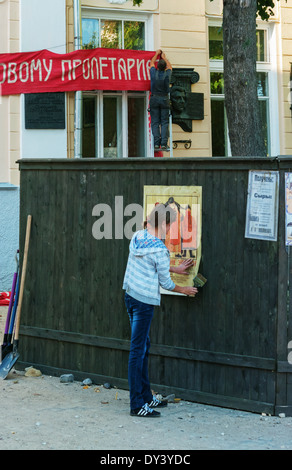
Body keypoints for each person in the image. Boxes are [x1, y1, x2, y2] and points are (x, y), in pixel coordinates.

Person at [123, 204, 198, 418]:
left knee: (143, 346)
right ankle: (137, 405)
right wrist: (185, 289)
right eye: (170, 224)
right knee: (138, 351)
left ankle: (146, 396)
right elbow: (165, 283)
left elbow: (151, 263)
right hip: (144, 302)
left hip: (130, 296)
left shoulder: (137, 236)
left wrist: (174, 267)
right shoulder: (160, 249)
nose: (170, 229)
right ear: (163, 224)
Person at [149, 50, 172, 151]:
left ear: (157, 66)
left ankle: (156, 144)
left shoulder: (154, 73)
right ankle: (163, 144)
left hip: (154, 98)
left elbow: (151, 63)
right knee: (164, 122)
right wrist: (165, 57)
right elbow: (170, 67)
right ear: (165, 67)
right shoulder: (167, 74)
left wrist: (156, 54)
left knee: (155, 122)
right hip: (164, 98)